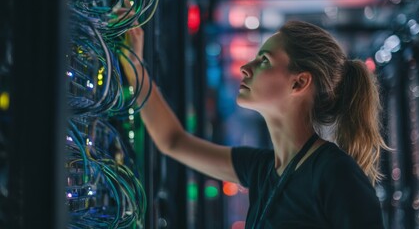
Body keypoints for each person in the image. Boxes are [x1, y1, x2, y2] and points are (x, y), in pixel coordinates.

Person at [121, 17, 387, 228]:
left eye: (264, 61)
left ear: (299, 82)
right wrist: (134, 66)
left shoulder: (336, 173)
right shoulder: (261, 169)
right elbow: (173, 141)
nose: (245, 67)